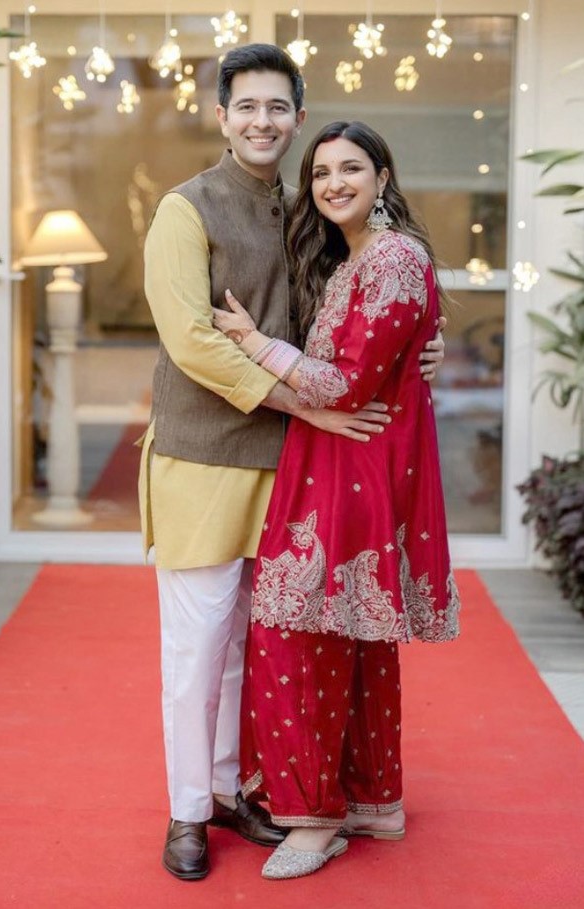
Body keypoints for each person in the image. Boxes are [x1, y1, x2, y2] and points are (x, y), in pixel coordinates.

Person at [139, 45, 445, 883]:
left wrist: (426, 343)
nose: (262, 121)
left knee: (253, 645)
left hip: (295, 467)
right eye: (247, 106)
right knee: (197, 646)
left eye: (278, 108)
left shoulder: (307, 207)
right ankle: (187, 812)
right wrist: (306, 403)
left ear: (297, 118)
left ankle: (238, 787)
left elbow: (352, 318)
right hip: (208, 455)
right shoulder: (185, 208)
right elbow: (192, 340)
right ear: (223, 114)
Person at [212, 120, 461, 881]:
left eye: (352, 168)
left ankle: (313, 817)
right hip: (346, 462)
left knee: (297, 640)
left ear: (384, 178)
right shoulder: (357, 258)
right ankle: (373, 799)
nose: (333, 183)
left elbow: (344, 384)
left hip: (349, 467)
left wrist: (254, 343)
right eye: (321, 172)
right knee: (352, 635)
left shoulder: (390, 257)